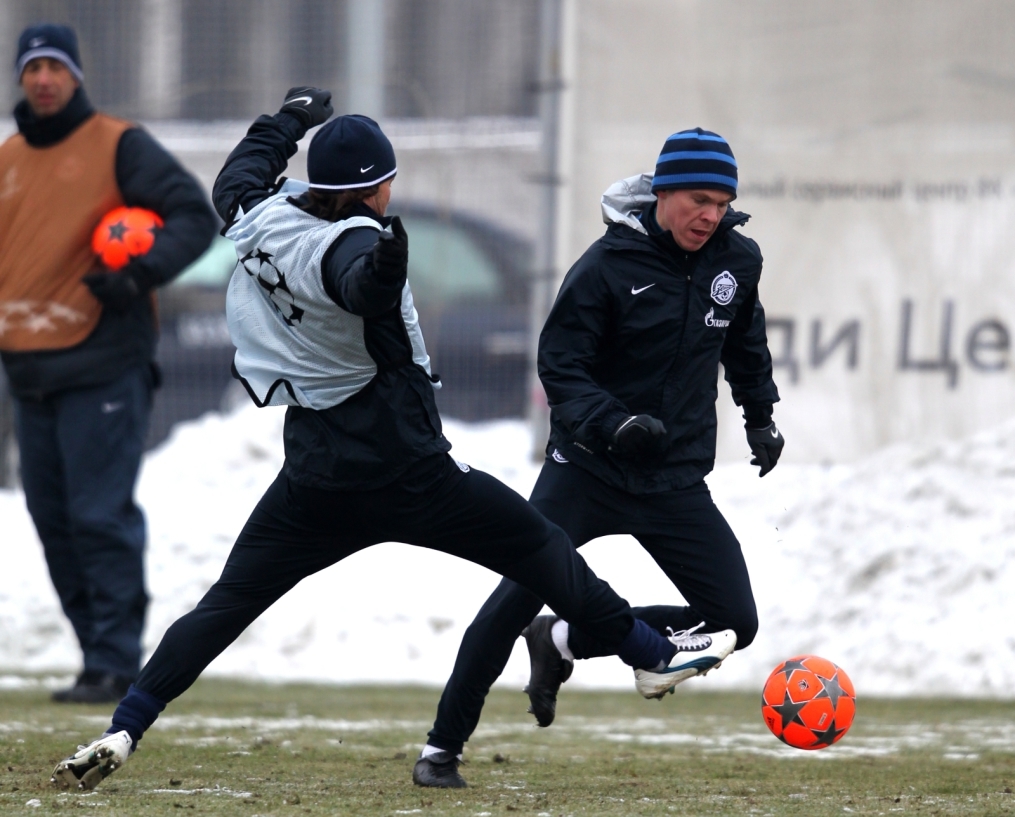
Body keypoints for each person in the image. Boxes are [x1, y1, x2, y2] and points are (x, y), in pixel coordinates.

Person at [50, 93, 737, 792]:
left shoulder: (262, 216)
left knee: (225, 603)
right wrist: (380, 273)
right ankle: (648, 652)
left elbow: (239, 177)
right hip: (408, 473)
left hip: (315, 477)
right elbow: (355, 284)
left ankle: (127, 723)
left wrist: (286, 120)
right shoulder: (356, 243)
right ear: (380, 185)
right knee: (541, 548)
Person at [413, 128, 783, 788]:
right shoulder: (605, 266)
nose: (711, 215)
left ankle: (563, 641)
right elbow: (561, 366)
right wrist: (614, 423)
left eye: (722, 202)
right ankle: (441, 749)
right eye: (698, 199)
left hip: (672, 478)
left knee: (733, 621)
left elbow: (745, 346)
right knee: (508, 603)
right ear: (662, 193)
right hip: (586, 470)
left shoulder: (738, 261)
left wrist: (760, 417)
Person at [0, 24, 217, 703]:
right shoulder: (7, 158)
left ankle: (116, 660)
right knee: (54, 519)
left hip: (102, 363)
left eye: (55, 67)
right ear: (20, 78)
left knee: (99, 515)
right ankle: (97, 651)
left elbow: (192, 215)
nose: (43, 79)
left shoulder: (117, 144)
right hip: (28, 373)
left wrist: (137, 274)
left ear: (77, 76)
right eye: (32, 67)